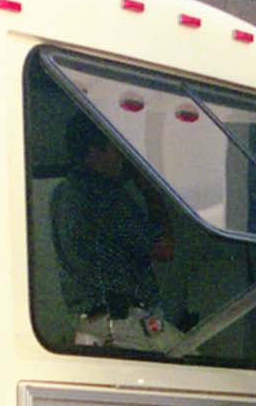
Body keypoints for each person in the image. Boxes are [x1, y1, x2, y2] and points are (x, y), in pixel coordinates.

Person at [51, 115, 175, 339]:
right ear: (93, 152)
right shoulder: (107, 196)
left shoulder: (61, 193)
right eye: (116, 149)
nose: (122, 158)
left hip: (88, 322)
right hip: (126, 322)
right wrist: (151, 192)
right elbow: (163, 249)